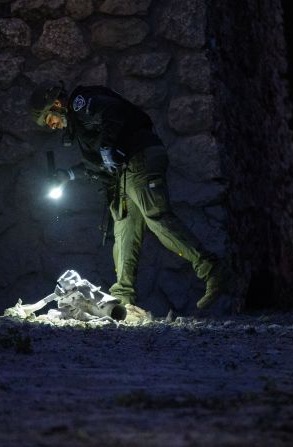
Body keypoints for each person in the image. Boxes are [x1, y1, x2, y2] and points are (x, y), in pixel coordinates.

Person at [30, 82, 222, 310]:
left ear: (57, 104)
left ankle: (212, 269)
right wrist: (68, 174)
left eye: (49, 120)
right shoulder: (81, 123)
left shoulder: (80, 103)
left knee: (156, 217)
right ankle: (123, 300)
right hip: (125, 172)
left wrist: (108, 147)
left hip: (139, 158)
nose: (53, 126)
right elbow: (98, 165)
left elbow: (113, 112)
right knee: (125, 231)